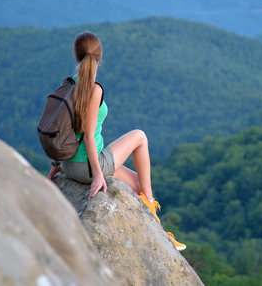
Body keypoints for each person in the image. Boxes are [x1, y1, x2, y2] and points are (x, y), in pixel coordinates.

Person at [47, 31, 186, 251]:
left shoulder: (69, 85)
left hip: (68, 165)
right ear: (99, 58)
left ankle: (154, 222)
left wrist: (56, 165)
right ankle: (150, 207)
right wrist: (98, 176)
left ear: (76, 57)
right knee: (140, 136)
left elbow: (60, 129)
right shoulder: (94, 90)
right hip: (90, 168)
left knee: (139, 182)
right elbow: (90, 137)